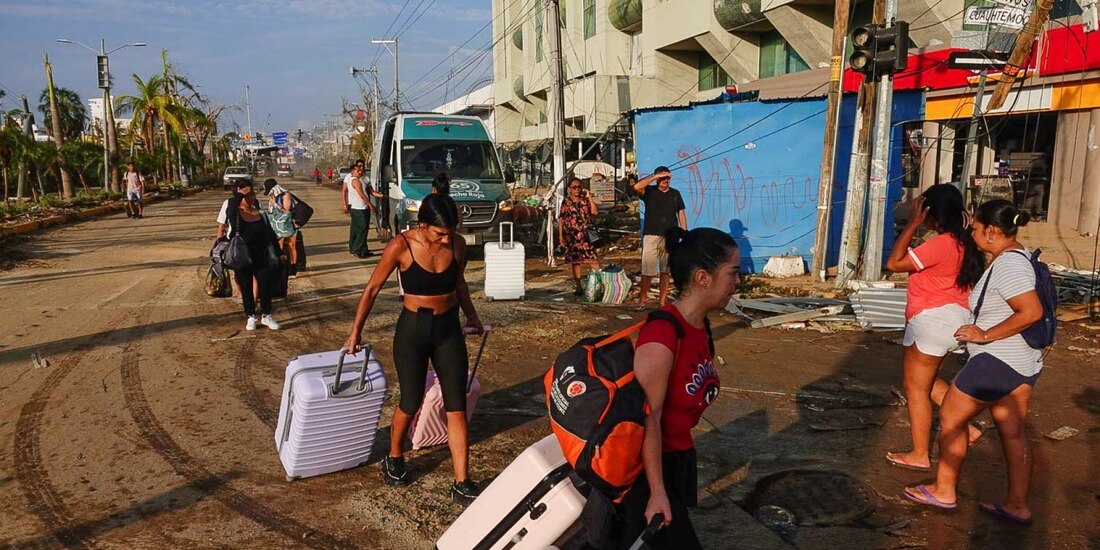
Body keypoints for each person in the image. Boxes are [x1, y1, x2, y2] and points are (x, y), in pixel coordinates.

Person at [904, 200, 1043, 525]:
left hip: (997, 361)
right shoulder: (1020, 257)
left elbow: (1031, 311)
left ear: (992, 232)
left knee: (952, 421)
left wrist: (985, 335)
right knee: (1013, 432)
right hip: (1022, 362)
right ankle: (1016, 505)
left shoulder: (1009, 265)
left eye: (977, 229)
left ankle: (943, 490)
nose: (973, 234)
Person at [344, 193, 484, 504]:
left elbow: (459, 283)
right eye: (440, 233)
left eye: (450, 231)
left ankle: (462, 480)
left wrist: (472, 316)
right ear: (423, 225)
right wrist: (355, 332)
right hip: (413, 331)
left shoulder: (457, 245)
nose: (447, 238)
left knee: (457, 405)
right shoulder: (401, 245)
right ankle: (394, 456)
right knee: (410, 400)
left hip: (448, 330)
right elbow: (372, 288)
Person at [616, 227, 738, 548]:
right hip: (645, 472)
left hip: (677, 461)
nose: (738, 283)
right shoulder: (662, 335)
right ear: (702, 277)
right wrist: (657, 492)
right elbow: (646, 419)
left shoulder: (700, 326)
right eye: (733, 273)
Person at [884, 184, 986, 471]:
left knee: (915, 388)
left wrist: (911, 225)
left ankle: (919, 454)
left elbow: (894, 263)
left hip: (930, 321)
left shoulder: (941, 243)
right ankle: (969, 431)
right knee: (928, 384)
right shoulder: (966, 242)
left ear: (930, 212)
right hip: (956, 320)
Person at [216, 179, 283, 331]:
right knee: (245, 286)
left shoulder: (259, 212)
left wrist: (279, 253)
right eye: (247, 196)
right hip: (241, 256)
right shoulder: (236, 213)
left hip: (261, 254)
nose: (250, 198)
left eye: (251, 195)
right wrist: (238, 195)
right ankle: (251, 316)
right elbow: (229, 213)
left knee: (265, 284)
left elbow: (270, 233)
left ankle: (266, 315)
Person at [633, 166, 686, 309]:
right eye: (662, 178)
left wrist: (684, 232)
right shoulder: (650, 191)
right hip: (651, 235)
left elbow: (681, 213)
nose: (665, 181)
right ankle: (642, 301)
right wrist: (656, 176)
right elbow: (637, 186)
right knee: (647, 270)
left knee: (665, 270)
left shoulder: (675, 194)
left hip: (670, 236)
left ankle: (662, 302)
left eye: (667, 178)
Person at [558, 177, 600, 296]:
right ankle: (578, 286)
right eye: (574, 187)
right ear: (569, 189)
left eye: (579, 187)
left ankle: (598, 284)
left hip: (585, 236)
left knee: (593, 260)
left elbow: (595, 212)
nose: (577, 189)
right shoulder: (566, 202)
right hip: (572, 236)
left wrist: (589, 197)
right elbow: (561, 219)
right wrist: (561, 236)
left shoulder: (585, 200)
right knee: (575, 262)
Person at [264, 178, 300, 279]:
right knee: (278, 245)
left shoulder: (285, 195)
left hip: (289, 224)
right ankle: (280, 267)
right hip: (277, 225)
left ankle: (293, 268)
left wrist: (276, 204)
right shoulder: (273, 196)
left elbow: (286, 211)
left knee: (291, 245)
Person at [343, 161, 376, 258]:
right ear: (352, 172)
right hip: (360, 208)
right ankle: (357, 250)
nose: (360, 172)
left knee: (357, 229)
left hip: (357, 208)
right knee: (362, 229)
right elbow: (362, 195)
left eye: (360, 170)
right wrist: (370, 204)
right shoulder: (355, 181)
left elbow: (371, 192)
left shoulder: (358, 179)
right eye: (357, 170)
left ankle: (361, 250)